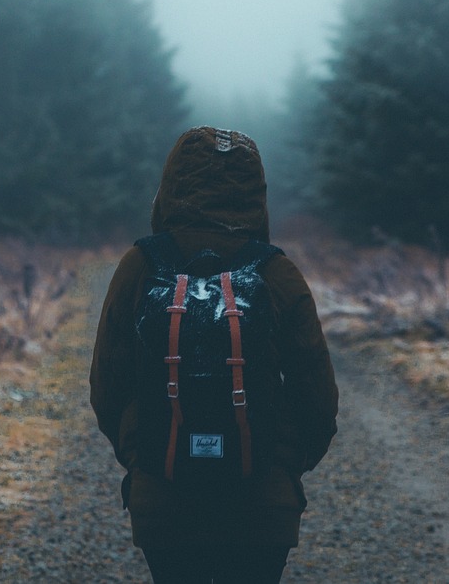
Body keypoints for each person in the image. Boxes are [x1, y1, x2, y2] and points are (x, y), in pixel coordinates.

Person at [90, 126, 339, 584]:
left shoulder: (140, 266)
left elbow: (107, 389)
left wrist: (145, 457)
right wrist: (283, 465)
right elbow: (318, 399)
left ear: (170, 187)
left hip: (163, 503)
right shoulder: (276, 271)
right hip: (263, 506)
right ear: (255, 191)